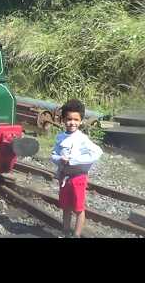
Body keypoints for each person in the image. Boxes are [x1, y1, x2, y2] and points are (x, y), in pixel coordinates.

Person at [51, 99, 103, 238]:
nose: (72, 122)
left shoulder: (82, 138)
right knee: (66, 206)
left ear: (81, 121)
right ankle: (65, 231)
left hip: (78, 178)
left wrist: (75, 161)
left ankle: (77, 234)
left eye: (76, 119)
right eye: (69, 119)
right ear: (63, 120)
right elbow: (53, 155)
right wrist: (59, 159)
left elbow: (97, 153)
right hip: (64, 177)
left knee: (79, 208)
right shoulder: (60, 137)